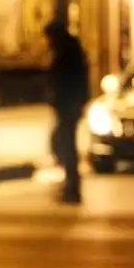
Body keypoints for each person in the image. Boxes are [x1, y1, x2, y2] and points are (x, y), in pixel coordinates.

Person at [46, 19, 89, 204]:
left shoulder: (67, 51)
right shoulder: (66, 50)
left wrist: (75, 102)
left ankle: (72, 186)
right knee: (61, 142)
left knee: (64, 143)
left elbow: (69, 79)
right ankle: (70, 183)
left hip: (68, 105)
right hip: (66, 104)